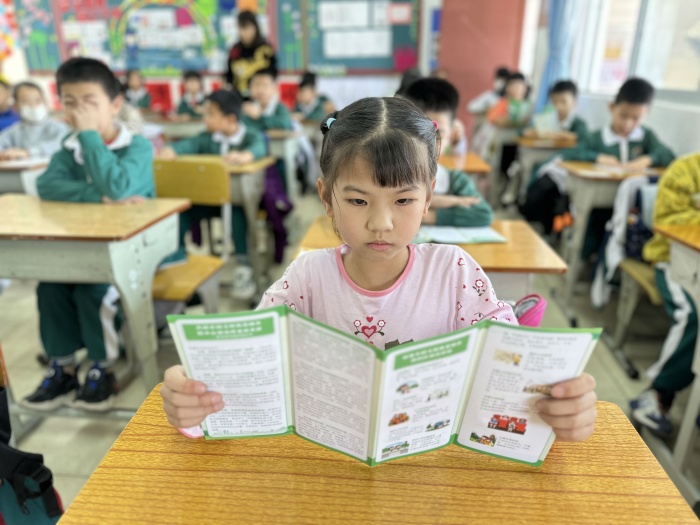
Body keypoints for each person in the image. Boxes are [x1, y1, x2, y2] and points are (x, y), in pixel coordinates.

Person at [159, 96, 598, 443]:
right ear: (326, 197)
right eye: (357, 200)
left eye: (403, 200)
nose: (381, 223)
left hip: (433, 470)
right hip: (327, 467)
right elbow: (246, 372)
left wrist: (559, 407)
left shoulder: (455, 273)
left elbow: (514, 375)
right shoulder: (306, 279)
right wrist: (192, 400)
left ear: (428, 198)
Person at [21, 57, 155, 412]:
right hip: (85, 248)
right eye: (70, 103)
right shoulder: (70, 148)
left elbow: (119, 185)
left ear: (115, 104)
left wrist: (91, 137)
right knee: (50, 287)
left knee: (94, 291)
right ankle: (63, 367)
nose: (79, 112)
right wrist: (98, 196)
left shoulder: (136, 146)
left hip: (135, 250)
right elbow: (47, 185)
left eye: (89, 102)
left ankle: (103, 369)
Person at [522, 78, 675, 237]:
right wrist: (597, 157)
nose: (628, 123)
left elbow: (668, 155)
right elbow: (572, 153)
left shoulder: (646, 137)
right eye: (623, 115)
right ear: (612, 107)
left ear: (646, 114)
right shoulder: (596, 137)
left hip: (629, 208)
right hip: (596, 207)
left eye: (636, 118)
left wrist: (647, 159)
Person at [159, 89, 267, 300]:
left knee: (238, 213)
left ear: (230, 119)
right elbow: (186, 145)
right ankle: (176, 257)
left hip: (239, 201)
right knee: (182, 212)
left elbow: (259, 146)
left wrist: (247, 154)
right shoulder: (206, 138)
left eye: (210, 114)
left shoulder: (249, 136)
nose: (205, 118)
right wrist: (171, 150)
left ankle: (243, 266)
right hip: (209, 201)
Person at [630, 153, 700, 438]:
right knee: (691, 315)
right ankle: (658, 392)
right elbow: (668, 219)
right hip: (675, 261)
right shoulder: (686, 169)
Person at [403, 77, 493, 227]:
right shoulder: (383, 173)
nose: (428, 142)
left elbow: (482, 213)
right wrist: (451, 201)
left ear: (451, 136)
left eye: (438, 134)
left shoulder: (453, 180)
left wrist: (423, 215)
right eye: (418, 131)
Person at [0, 81, 69, 160]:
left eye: (38, 100)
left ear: (46, 102)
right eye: (25, 101)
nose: (33, 105)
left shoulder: (58, 127)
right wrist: (4, 154)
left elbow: (61, 144)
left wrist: (28, 152)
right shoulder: (14, 131)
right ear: (15, 107)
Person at [226, 10, 277, 97]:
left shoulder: (266, 49)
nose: (243, 33)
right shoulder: (235, 50)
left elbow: (273, 73)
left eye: (246, 28)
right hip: (238, 96)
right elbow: (229, 76)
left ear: (255, 27)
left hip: (261, 96)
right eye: (240, 28)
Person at [523, 80, 588, 143]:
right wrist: (533, 133)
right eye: (554, 101)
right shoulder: (547, 119)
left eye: (563, 102)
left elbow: (584, 139)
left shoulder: (578, 123)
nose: (558, 106)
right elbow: (526, 132)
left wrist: (566, 136)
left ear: (574, 102)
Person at [242, 68, 292, 132]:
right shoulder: (247, 107)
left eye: (265, 85)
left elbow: (284, 124)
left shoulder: (280, 107)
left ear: (274, 88)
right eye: (256, 85)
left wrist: (259, 117)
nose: (260, 89)